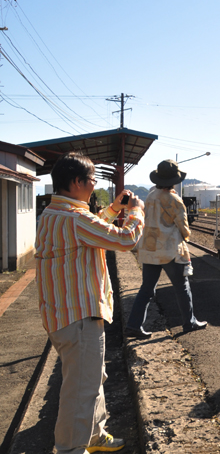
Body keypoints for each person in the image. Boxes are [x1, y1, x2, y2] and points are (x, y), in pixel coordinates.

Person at [35, 151, 144, 454]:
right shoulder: (74, 219)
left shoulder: (53, 215)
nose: (94, 185)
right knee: (81, 390)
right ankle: (71, 448)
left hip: (64, 315)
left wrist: (111, 209)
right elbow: (124, 240)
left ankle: (95, 434)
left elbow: (93, 228)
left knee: (91, 379)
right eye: (93, 181)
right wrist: (136, 212)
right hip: (79, 316)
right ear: (76, 182)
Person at [126, 160, 207, 339]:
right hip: (169, 250)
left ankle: (133, 325)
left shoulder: (150, 194)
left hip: (149, 248)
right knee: (181, 286)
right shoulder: (173, 199)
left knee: (146, 289)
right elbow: (184, 227)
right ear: (174, 180)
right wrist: (186, 236)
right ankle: (189, 322)